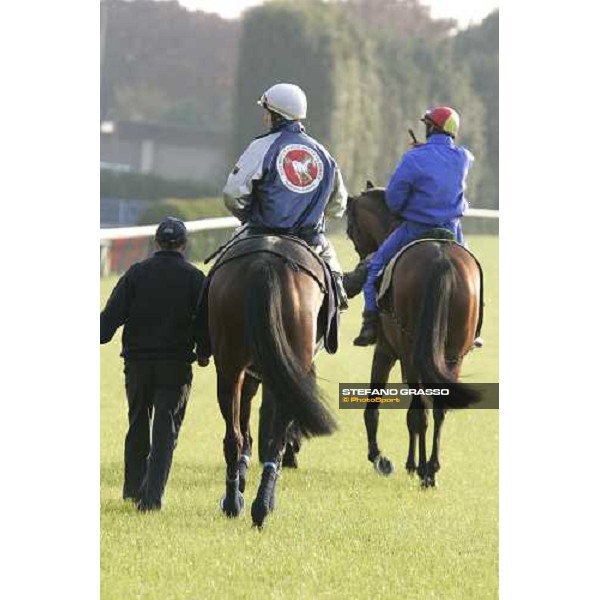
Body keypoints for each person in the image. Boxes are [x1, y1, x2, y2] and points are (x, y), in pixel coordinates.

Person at [100, 217, 206, 511]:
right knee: (165, 431)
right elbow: (204, 326)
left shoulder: (136, 274)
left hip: (138, 366)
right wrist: (205, 352)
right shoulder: (195, 278)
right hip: (175, 366)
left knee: (137, 424)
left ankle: (133, 490)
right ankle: (152, 498)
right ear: (183, 244)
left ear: (156, 242)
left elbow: (105, 327)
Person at [354, 106, 474, 346]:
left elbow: (394, 199)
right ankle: (474, 330)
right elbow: (442, 169)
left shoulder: (413, 158)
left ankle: (370, 323)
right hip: (452, 230)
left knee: (375, 268)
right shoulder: (464, 157)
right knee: (473, 273)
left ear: (431, 128)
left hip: (415, 228)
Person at [223, 82, 349, 309]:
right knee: (334, 281)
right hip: (310, 241)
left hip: (258, 233)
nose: (265, 119)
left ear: (276, 116)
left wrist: (248, 215)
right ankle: (336, 309)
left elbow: (232, 195)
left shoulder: (261, 147)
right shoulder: (324, 154)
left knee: (218, 273)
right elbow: (338, 206)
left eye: (267, 113)